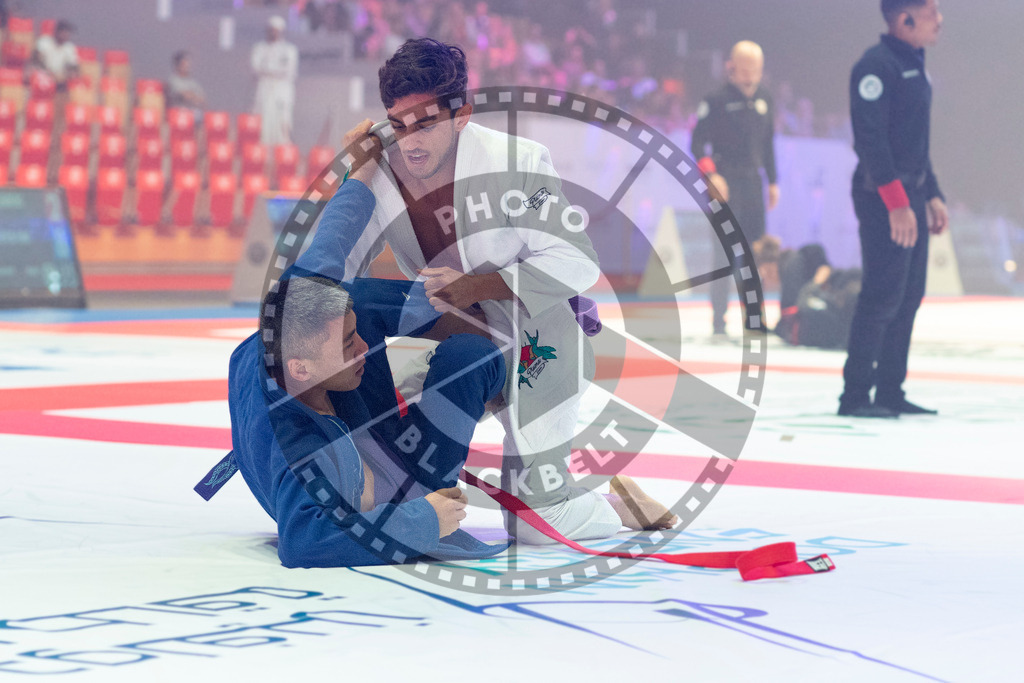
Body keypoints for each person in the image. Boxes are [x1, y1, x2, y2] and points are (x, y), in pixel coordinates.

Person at [343, 38, 677, 545]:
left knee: (535, 526)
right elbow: (342, 267)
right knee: (355, 303)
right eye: (398, 122)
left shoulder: (519, 160)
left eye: (426, 123)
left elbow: (577, 261)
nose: (410, 140)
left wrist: (478, 284)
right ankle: (380, 458)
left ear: (461, 116)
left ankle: (615, 506)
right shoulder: (384, 168)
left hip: (538, 340)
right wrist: (354, 179)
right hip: (453, 337)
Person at [223, 121, 512, 568]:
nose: (364, 347)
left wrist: (360, 166)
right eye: (346, 343)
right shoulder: (286, 438)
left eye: (355, 333)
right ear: (299, 369)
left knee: (455, 337)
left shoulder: (309, 294)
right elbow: (302, 542)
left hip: (356, 408)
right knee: (470, 358)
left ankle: (471, 315)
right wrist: (421, 519)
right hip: (381, 479)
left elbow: (337, 229)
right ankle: (419, 489)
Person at [838, 0, 948, 418]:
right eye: (931, 11)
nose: (939, 19)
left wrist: (932, 193)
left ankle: (889, 391)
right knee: (882, 294)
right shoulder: (876, 66)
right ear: (905, 19)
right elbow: (871, 141)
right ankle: (854, 396)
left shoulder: (914, 63)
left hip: (912, 194)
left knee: (908, 296)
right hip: (882, 195)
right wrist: (897, 204)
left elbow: (914, 141)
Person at [690, 40, 779, 337]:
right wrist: (711, 173)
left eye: (755, 69)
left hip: (754, 183)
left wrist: (774, 181)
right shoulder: (715, 99)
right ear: (732, 67)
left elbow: (768, 145)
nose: (750, 75)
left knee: (755, 253)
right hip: (723, 184)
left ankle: (754, 319)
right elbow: (697, 142)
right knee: (724, 254)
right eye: (745, 68)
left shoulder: (766, 99)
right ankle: (718, 322)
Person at [251, 15, 298, 146]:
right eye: (271, 30)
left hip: (282, 90)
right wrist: (276, 70)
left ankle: (283, 155)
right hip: (264, 89)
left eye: (276, 30)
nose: (273, 33)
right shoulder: (259, 48)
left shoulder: (289, 49)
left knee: (283, 120)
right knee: (264, 120)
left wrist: (268, 69)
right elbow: (255, 68)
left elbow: (289, 70)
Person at [32, 19, 79, 87]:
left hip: (59, 80)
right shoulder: (44, 41)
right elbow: (35, 60)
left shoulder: (69, 47)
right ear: (57, 31)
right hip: (43, 75)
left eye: (68, 33)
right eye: (64, 32)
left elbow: (74, 67)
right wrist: (48, 73)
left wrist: (67, 74)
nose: (66, 35)